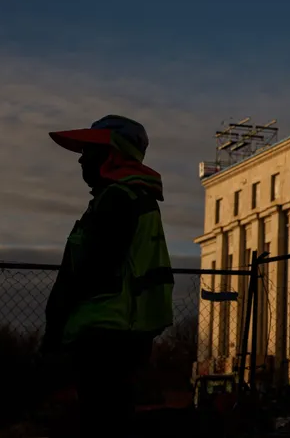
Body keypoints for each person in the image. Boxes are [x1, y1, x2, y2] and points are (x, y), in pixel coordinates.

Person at [41, 115, 174, 438]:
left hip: (102, 336)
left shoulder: (116, 200)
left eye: (90, 150)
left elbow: (88, 271)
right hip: (128, 335)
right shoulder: (137, 199)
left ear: (113, 154)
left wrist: (53, 338)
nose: (82, 159)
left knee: (97, 422)